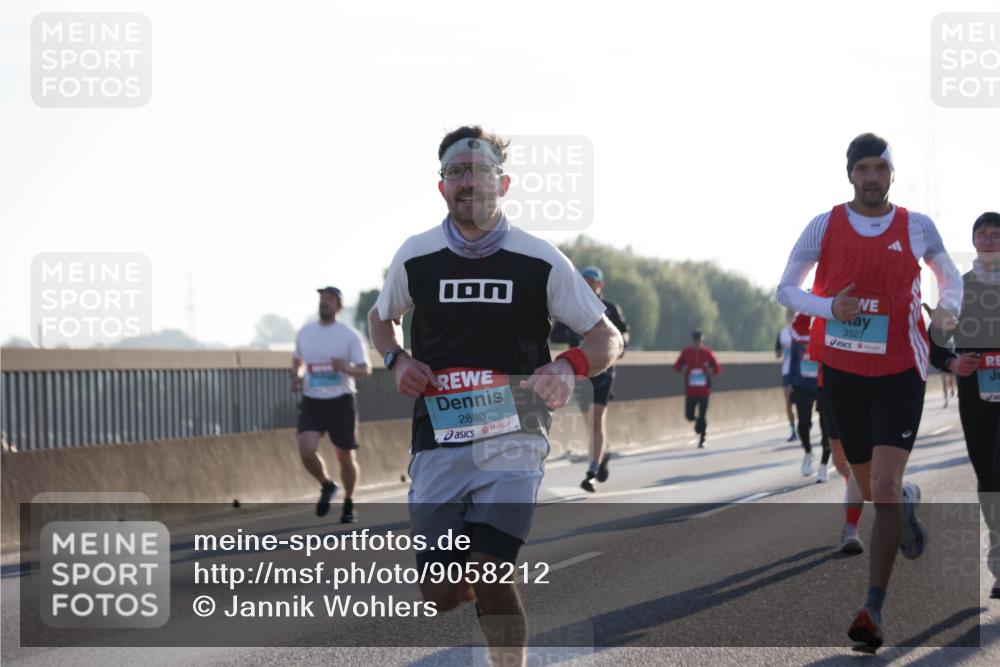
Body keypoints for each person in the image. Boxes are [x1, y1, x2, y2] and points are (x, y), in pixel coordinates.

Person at [367, 126, 623, 667]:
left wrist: (567, 364)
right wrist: (397, 359)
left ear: (501, 182)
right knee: (440, 595)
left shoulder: (540, 259)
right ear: (442, 188)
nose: (467, 181)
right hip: (438, 440)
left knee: (491, 570)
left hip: (515, 438)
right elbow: (380, 319)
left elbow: (607, 338)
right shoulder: (416, 256)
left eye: (478, 170)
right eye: (455, 171)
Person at [777, 133, 963, 652]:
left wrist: (947, 308)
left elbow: (948, 278)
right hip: (841, 370)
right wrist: (827, 308)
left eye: (881, 167)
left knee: (879, 485)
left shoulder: (917, 226)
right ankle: (903, 502)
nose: (873, 176)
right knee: (863, 479)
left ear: (892, 173)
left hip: (901, 368)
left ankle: (872, 609)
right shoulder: (825, 224)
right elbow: (785, 289)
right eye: (863, 168)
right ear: (851, 175)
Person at [928, 211, 1000, 600]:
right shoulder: (962, 288)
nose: (989, 241)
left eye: (996, 235)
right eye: (983, 235)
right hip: (976, 394)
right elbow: (934, 337)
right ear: (974, 242)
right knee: (988, 477)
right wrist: (954, 362)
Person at [292, 286, 371, 523]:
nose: (324, 302)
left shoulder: (349, 335)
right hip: (313, 400)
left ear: (339, 306)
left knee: (344, 456)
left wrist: (345, 368)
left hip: (341, 401)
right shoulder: (305, 332)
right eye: (321, 298)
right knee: (306, 449)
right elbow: (298, 360)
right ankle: (326, 484)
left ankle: (348, 501)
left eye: (329, 299)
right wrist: (296, 375)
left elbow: (365, 369)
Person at [551, 265, 630, 492]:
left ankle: (591, 472)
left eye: (593, 280)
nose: (588, 283)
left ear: (600, 284)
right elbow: (555, 333)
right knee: (590, 424)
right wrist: (570, 332)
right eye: (584, 279)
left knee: (596, 420)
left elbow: (624, 333)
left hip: (603, 371)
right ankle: (602, 453)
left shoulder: (611, 309)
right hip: (580, 372)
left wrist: (619, 345)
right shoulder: (570, 306)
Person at [787, 314, 830, 480]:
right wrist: (790, 381)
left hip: (824, 383)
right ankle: (808, 452)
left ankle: (824, 466)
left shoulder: (830, 323)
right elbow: (792, 358)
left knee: (827, 426)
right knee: (803, 424)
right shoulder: (797, 328)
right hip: (802, 383)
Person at [673, 330, 721, 448]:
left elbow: (717, 368)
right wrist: (682, 368)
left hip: (704, 390)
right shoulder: (686, 353)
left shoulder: (708, 354)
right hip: (691, 390)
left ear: (702, 342)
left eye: (699, 342)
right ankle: (697, 422)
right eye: (695, 341)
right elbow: (676, 366)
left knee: (703, 415)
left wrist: (711, 370)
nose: (697, 344)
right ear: (692, 341)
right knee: (689, 415)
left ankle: (702, 438)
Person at [775, 309, 799, 442]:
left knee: (802, 402)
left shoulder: (801, 330)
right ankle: (792, 430)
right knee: (789, 403)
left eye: (792, 314)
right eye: (788, 315)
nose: (789, 316)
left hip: (800, 372)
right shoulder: (782, 333)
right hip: (786, 372)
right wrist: (784, 351)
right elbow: (777, 353)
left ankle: (804, 426)